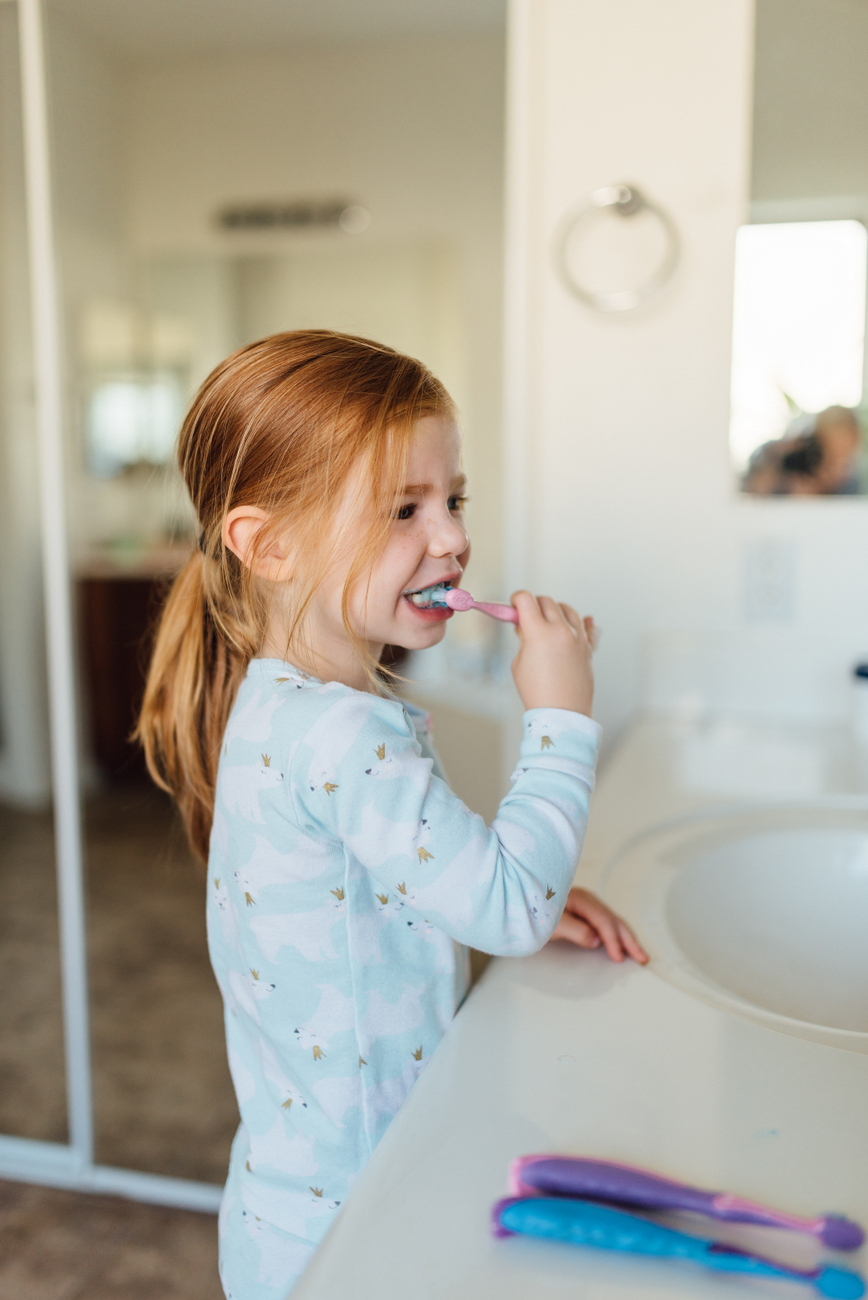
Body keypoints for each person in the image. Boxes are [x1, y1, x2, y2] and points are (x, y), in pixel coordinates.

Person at [137, 331, 647, 1300]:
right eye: (402, 509)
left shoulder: (286, 702)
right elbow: (509, 910)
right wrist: (561, 714)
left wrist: (490, 889)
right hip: (351, 1223)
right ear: (268, 544)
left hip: (307, 1197)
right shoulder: (341, 735)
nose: (451, 536)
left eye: (453, 500)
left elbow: (388, 891)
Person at [742, 405, 863, 496]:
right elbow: (753, 491)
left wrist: (821, 493)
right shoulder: (782, 456)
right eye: (825, 453)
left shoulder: (850, 483)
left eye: (841, 459)